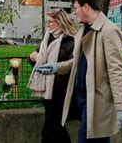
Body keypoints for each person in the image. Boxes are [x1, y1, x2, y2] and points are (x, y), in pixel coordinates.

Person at [36, 0, 122, 142]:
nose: (75, 12)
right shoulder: (83, 30)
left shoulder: (109, 31)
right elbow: (78, 61)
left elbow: (116, 71)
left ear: (86, 7)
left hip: (96, 100)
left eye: (76, 8)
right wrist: (56, 68)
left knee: (86, 138)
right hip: (80, 98)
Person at [27, 9, 76, 143]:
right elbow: (36, 61)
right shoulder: (47, 39)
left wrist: (42, 60)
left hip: (61, 89)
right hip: (46, 89)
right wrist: (33, 58)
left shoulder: (70, 41)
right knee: (57, 127)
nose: (48, 25)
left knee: (50, 128)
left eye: (50, 22)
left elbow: (71, 66)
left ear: (59, 22)